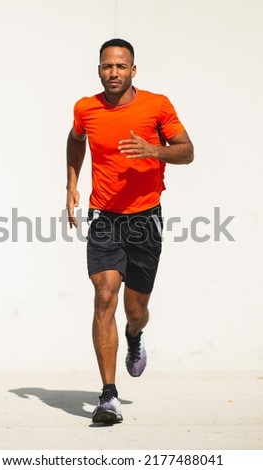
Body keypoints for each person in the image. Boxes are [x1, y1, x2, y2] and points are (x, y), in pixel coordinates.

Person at [66, 38, 194, 424]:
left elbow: (187, 150)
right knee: (104, 294)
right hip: (104, 215)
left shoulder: (157, 105)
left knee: (135, 310)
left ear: (133, 70)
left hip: (145, 218)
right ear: (99, 70)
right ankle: (108, 396)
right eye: (107, 66)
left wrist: (155, 151)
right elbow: (75, 141)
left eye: (121, 66)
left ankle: (135, 336)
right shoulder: (86, 108)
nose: (114, 73)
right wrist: (71, 183)